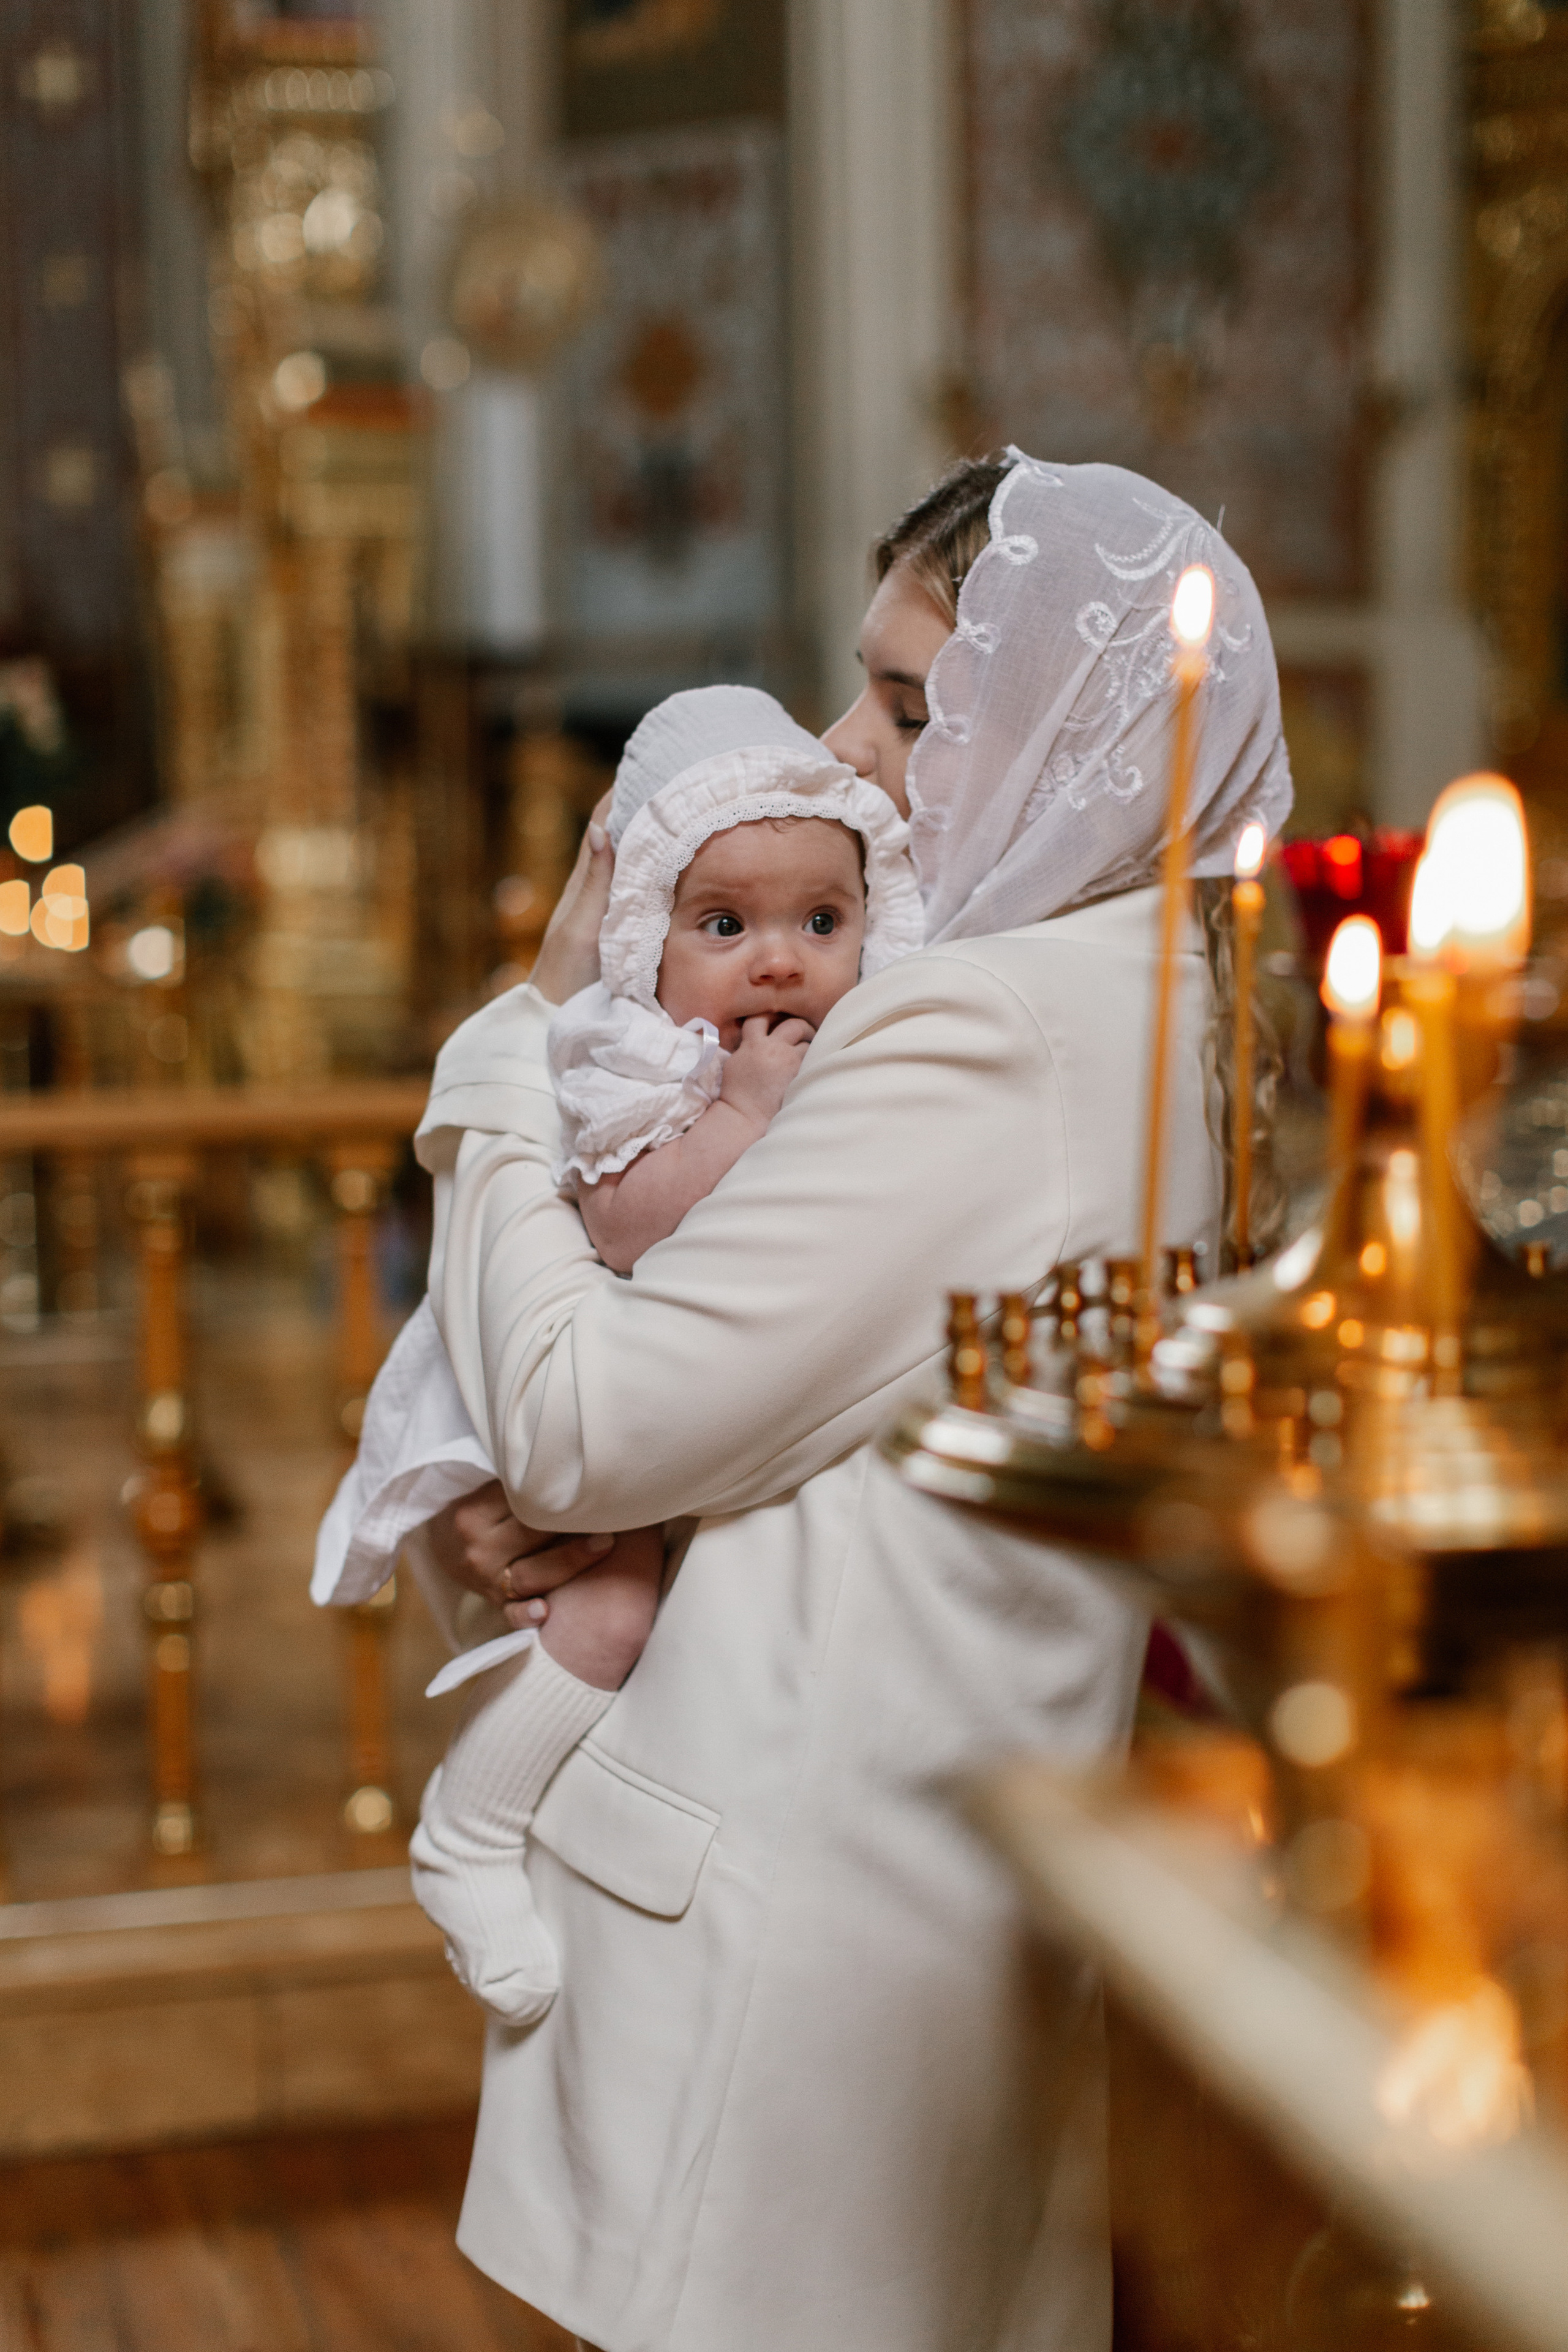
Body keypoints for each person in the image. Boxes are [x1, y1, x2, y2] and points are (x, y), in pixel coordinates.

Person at [319, 449, 1291, 2352]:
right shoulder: (1184, 996)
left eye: (916, 707)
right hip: (958, 1895)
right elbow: (858, 1408)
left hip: (794, 1942)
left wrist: (503, 1057)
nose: (848, 751)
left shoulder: (980, 1027)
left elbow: (591, 1425)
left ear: (1074, 738)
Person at [406, 688, 922, 2022]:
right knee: (611, 1609)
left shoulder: (865, 1040)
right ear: (648, 936)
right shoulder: (637, 1054)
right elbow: (622, 1221)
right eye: (724, 927)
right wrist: (743, 1117)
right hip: (561, 1361)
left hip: (704, 1410)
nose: (777, 962)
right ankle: (469, 1825)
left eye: (822, 923)